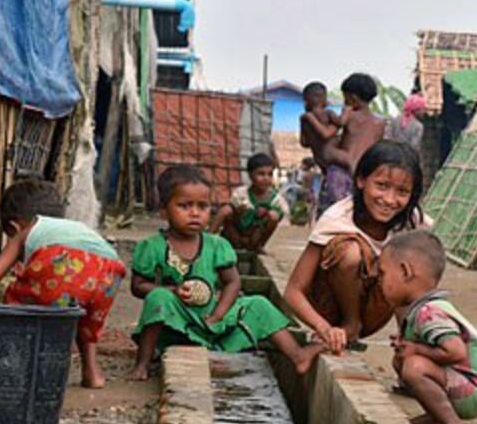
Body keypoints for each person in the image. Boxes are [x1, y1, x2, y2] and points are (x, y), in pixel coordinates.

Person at [128, 165, 323, 380]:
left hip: (213, 318)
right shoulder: (153, 247)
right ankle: (143, 363)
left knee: (258, 304)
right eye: (185, 206)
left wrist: (219, 314)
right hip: (179, 321)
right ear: (164, 211)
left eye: (202, 207)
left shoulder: (217, 245)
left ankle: (297, 355)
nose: (195, 213)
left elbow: (232, 283)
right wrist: (172, 290)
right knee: (158, 297)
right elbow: (138, 285)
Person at [0, 179, 126, 389]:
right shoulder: (77, 227)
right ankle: (92, 373)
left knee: (13, 297)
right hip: (110, 268)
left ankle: (14, 365)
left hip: (62, 265)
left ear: (14, 227)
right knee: (87, 325)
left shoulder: (26, 231)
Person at [284, 140, 430, 353]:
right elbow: (293, 292)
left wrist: (409, 342)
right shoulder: (337, 217)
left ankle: (376, 332)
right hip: (329, 310)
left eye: (402, 191)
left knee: (409, 264)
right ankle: (350, 323)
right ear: (361, 180)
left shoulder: (413, 222)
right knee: (350, 251)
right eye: (381, 186)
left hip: (374, 312)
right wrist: (324, 328)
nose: (390, 200)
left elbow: (413, 287)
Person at [379, 229, 477, 424]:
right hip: (459, 382)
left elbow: (456, 351)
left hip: (472, 390)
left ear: (405, 271)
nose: (379, 281)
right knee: (404, 361)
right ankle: (436, 415)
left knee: (414, 366)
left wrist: (416, 349)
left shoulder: (429, 312)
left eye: (383, 274)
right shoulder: (421, 309)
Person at [307, 73, 387, 215]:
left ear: (353, 98)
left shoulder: (348, 116)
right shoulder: (380, 122)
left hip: (341, 172)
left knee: (332, 215)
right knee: (355, 214)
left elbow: (328, 134)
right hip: (364, 172)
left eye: (345, 97)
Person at [210, 153, 287, 253]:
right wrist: (239, 212)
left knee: (274, 216)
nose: (266, 178)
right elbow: (232, 215)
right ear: (250, 175)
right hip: (235, 234)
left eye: (269, 174)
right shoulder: (241, 193)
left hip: (254, 237)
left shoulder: (276, 199)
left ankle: (259, 246)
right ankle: (207, 240)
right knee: (226, 210)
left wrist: (265, 214)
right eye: (261, 174)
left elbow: (278, 217)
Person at [385, 93, 426, 183]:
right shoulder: (418, 126)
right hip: (406, 163)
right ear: (416, 110)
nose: (424, 112)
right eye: (423, 109)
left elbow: (386, 139)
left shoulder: (394, 121)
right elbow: (414, 147)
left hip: (389, 159)